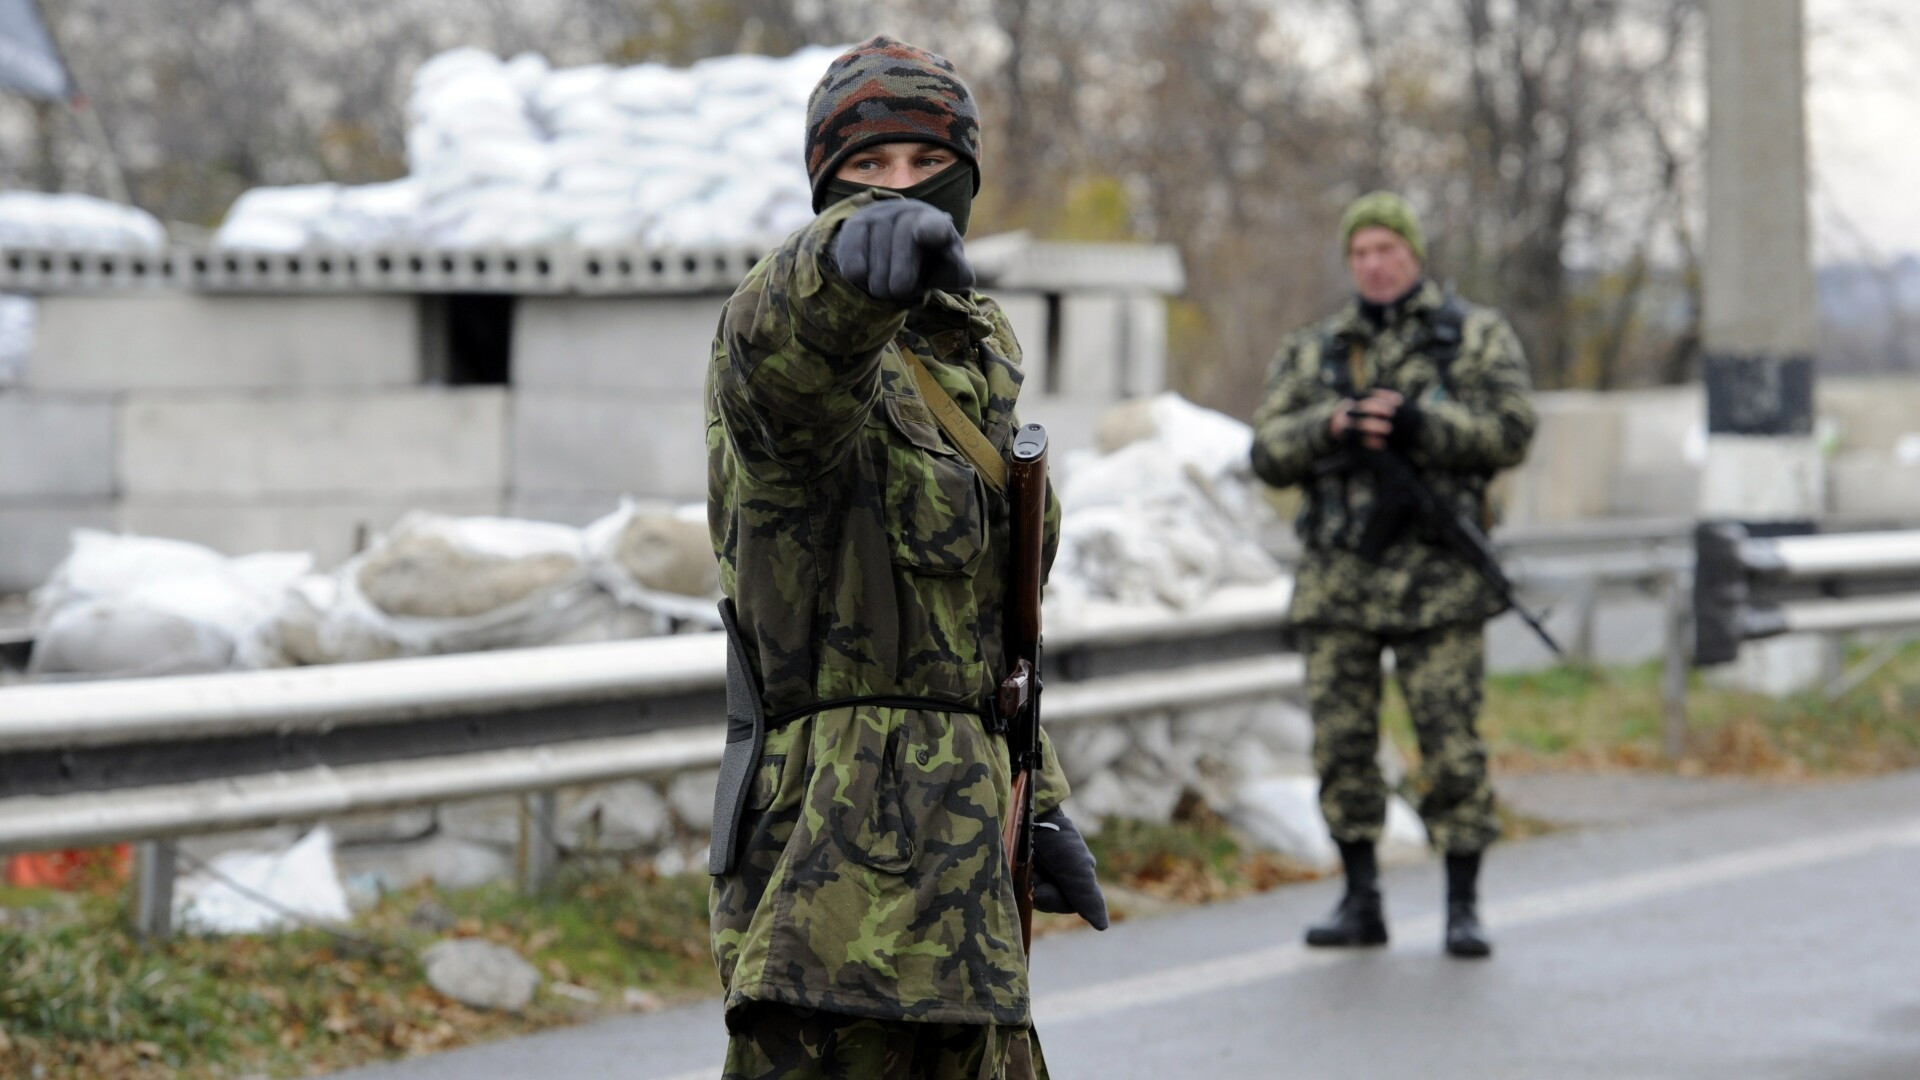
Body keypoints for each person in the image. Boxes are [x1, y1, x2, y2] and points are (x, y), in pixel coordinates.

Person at [704, 36, 1108, 1080]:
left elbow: (978, 626)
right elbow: (778, 364)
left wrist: (1039, 793)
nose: (898, 194)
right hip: (833, 903)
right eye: (866, 171)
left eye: (924, 166)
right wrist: (831, 270)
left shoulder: (974, 357)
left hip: (970, 896)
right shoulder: (800, 354)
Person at [1249, 191, 1537, 959]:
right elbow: (1267, 450)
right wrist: (1334, 426)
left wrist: (1420, 426)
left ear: (1414, 254)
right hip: (1339, 583)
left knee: (1451, 749)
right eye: (1362, 253)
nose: (1376, 265)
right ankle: (1361, 897)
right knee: (1342, 748)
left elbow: (1512, 431)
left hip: (1438, 586)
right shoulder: (1315, 350)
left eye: (1389, 250)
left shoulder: (1471, 338)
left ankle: (1463, 905)